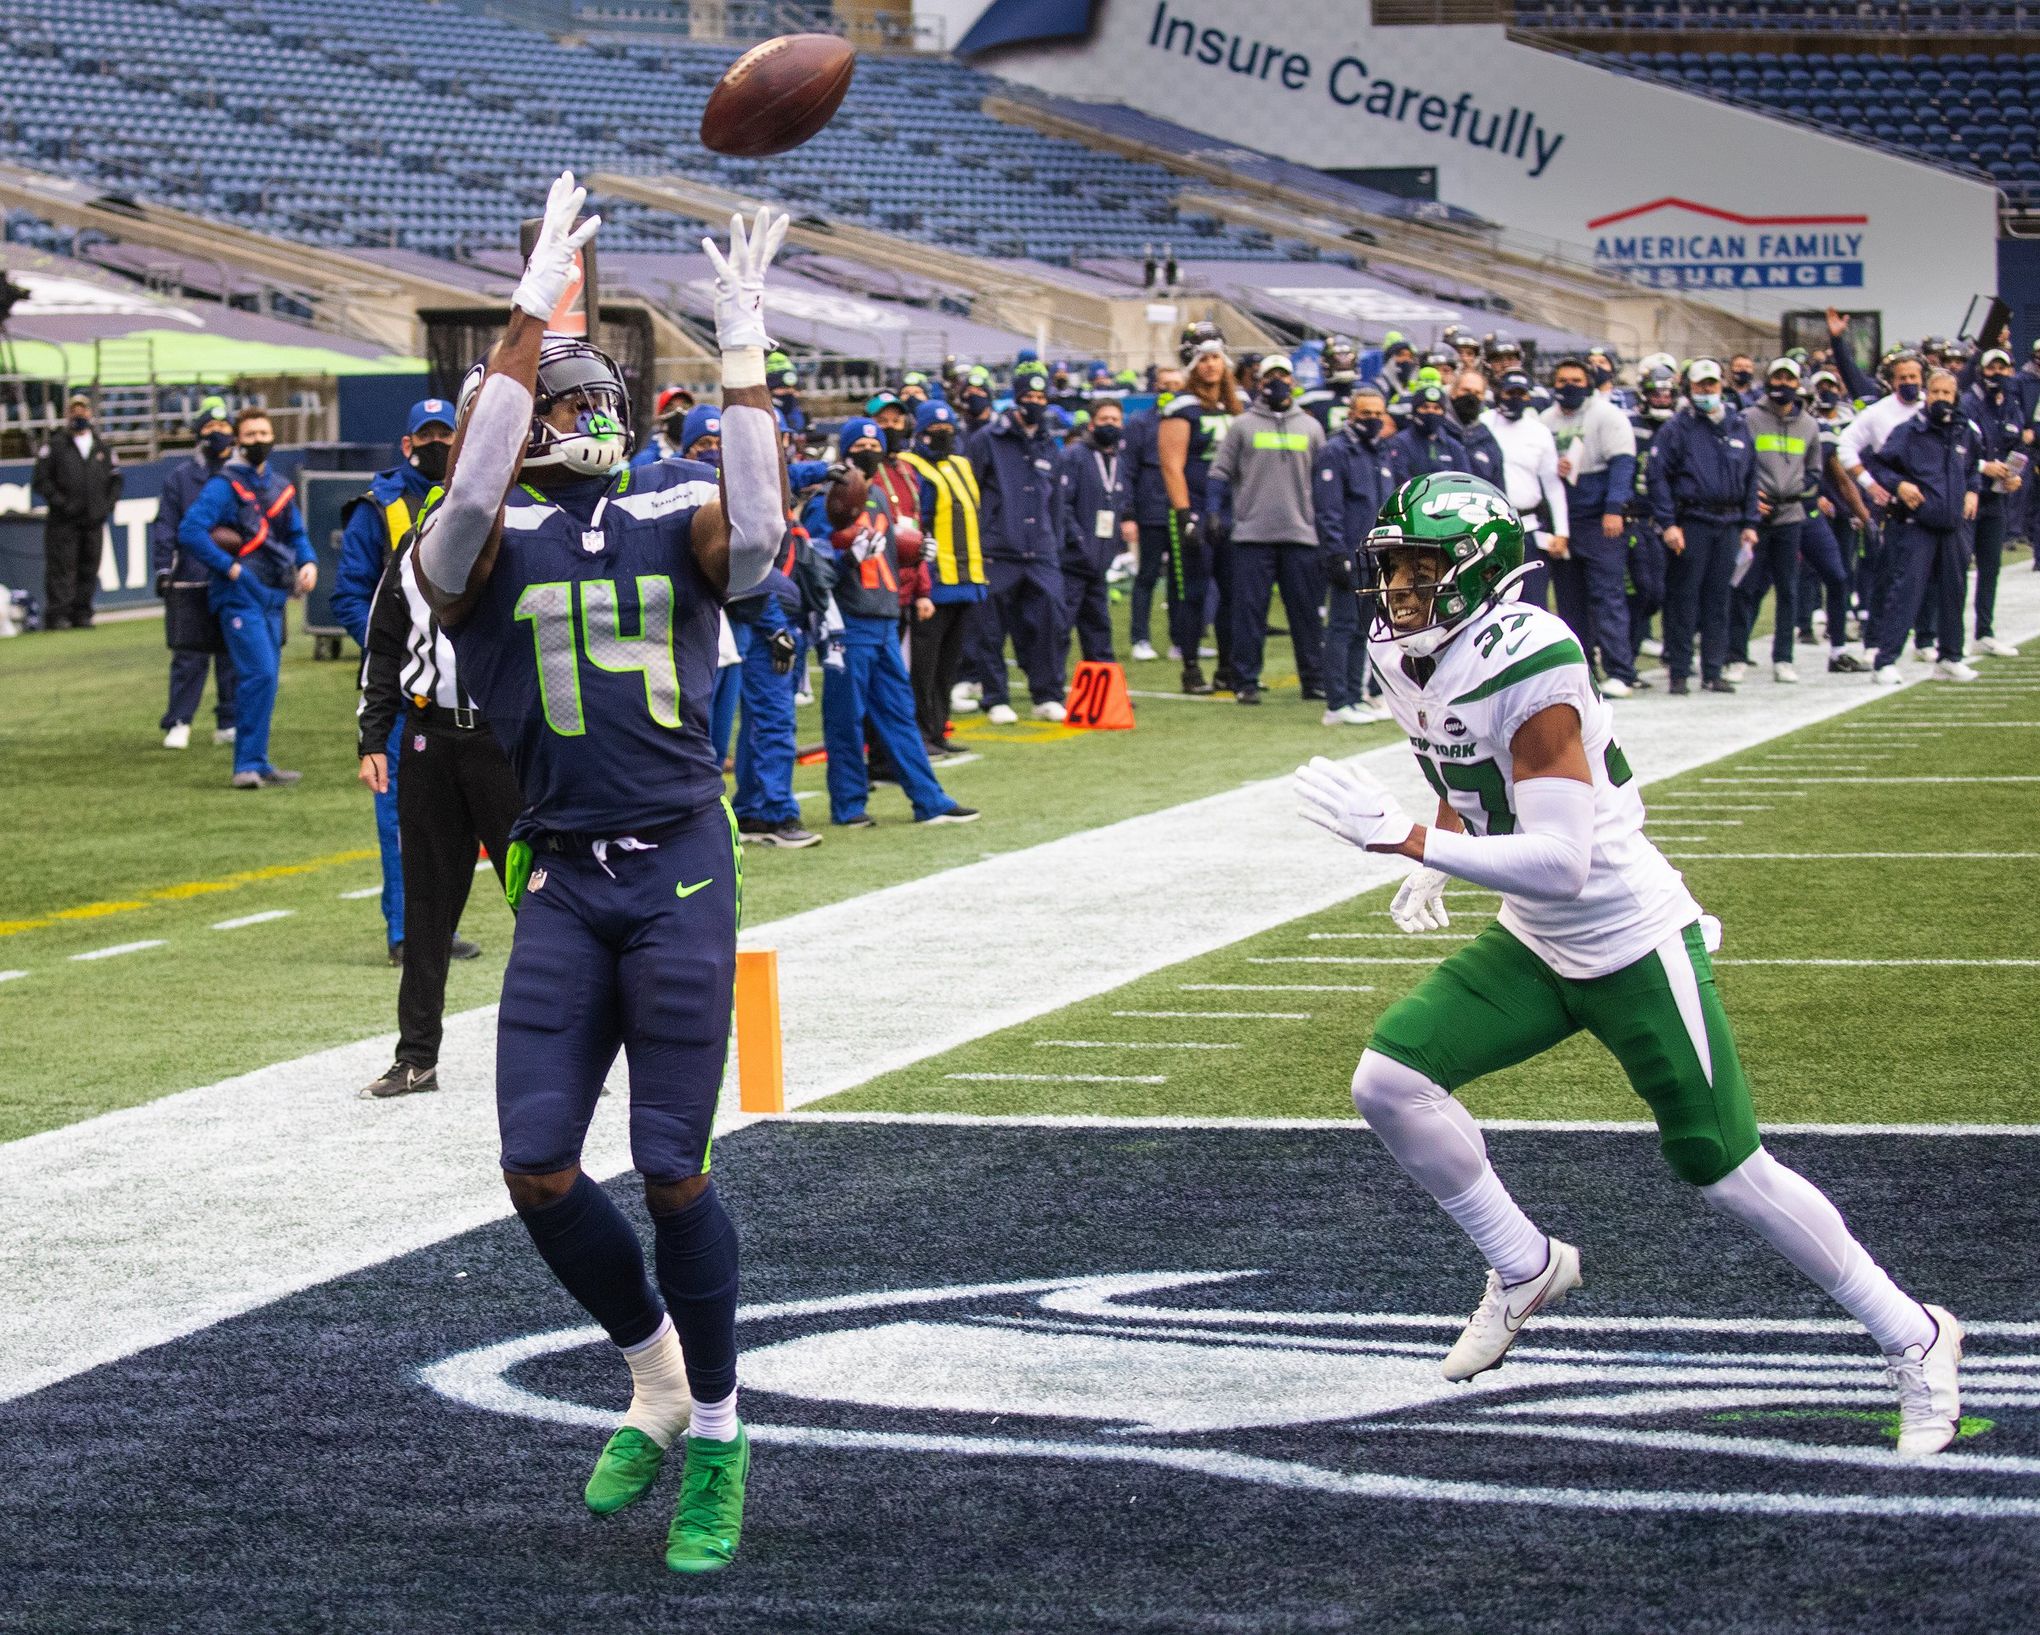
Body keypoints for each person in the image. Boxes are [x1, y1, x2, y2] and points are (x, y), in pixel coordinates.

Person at [1296, 469, 1964, 1455]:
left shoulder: (1533, 659)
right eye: (1393, 569)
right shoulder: (1405, 655)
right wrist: (1438, 832)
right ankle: (1523, 1266)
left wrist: (1409, 843)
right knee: (1390, 1082)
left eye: (1420, 571)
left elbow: (1563, 864)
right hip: (1537, 938)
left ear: (1477, 575)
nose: (1400, 591)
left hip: (1625, 934)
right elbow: (1463, 767)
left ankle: (1915, 1335)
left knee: (1727, 1169)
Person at [412, 176, 782, 1574]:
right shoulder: (471, 548)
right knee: (536, 1165)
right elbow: (469, 484)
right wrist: (523, 319)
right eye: (553, 407)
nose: (577, 421)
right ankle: (655, 1372)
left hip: (681, 865)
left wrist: (742, 357)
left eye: (584, 403)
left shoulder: (678, 507)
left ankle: (728, 1428)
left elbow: (756, 537)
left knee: (674, 1167)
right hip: (563, 876)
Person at [355, 537, 523, 1098]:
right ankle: (416, 1057)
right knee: (426, 905)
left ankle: (564, 1052)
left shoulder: (528, 530)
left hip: (509, 737)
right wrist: (372, 737)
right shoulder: (414, 547)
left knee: (540, 903)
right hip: (430, 735)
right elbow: (382, 645)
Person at [334, 397, 465, 964]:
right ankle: (406, 933)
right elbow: (349, 595)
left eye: (446, 434)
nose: (437, 444)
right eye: (427, 435)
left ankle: (439, 928)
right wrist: (394, 652)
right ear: (408, 443)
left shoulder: (474, 497)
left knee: (462, 819)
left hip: (466, 685)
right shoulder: (378, 507)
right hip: (409, 687)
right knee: (400, 820)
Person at [810, 418, 978, 828]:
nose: (868, 448)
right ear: (846, 450)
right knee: (846, 719)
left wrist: (913, 555)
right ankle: (849, 806)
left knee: (901, 714)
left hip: (885, 617)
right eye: (861, 442)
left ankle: (929, 799)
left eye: (874, 442)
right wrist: (847, 556)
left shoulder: (882, 497)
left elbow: (884, 554)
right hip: (848, 622)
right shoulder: (826, 499)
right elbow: (816, 563)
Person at [177, 408, 315, 785]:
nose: (258, 441)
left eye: (263, 433)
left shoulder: (278, 484)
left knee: (266, 679)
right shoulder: (224, 485)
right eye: (250, 434)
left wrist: (308, 562)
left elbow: (297, 534)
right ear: (238, 440)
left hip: (273, 593)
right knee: (259, 674)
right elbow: (190, 531)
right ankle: (245, 766)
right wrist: (229, 567)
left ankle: (258, 760)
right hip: (238, 593)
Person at [1207, 354, 1324, 708]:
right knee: (1249, 614)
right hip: (1252, 535)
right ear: (1259, 381)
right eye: (1270, 376)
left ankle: (1314, 680)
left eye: (1283, 376)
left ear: (1293, 381)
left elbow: (1324, 479)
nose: (1277, 382)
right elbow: (1219, 472)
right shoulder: (1242, 426)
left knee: (1305, 614)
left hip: (1300, 534)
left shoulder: (1310, 427)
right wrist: (1213, 512)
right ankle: (1246, 680)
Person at [1862, 369, 1982, 684]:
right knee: (1906, 591)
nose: (1942, 398)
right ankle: (1885, 660)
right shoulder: (1909, 431)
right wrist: (1899, 485)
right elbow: (1879, 464)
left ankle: (1950, 657)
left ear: (1955, 397)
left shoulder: (1965, 431)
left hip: (1953, 524)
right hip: (1917, 523)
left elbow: (1973, 469)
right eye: (1936, 392)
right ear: (1927, 394)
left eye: (1947, 393)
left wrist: (1972, 490)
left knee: (1954, 592)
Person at [1646, 360, 1759, 696]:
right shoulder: (1676, 429)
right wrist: (1668, 523)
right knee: (1684, 597)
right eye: (1700, 386)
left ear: (1721, 386)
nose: (1707, 391)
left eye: (1711, 385)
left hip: (1728, 523)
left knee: (1719, 597)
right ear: (1690, 388)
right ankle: (1679, 671)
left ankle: (1714, 669)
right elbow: (1658, 478)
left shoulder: (1737, 425)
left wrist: (1750, 521)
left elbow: (1751, 478)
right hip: (1692, 521)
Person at [969, 364, 1070, 724]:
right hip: (998, 547)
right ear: (1015, 398)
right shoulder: (988, 439)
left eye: (1041, 398)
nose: (1035, 403)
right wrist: (984, 534)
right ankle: (995, 696)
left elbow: (1055, 497)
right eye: (1028, 397)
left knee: (1050, 623)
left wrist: (1052, 540)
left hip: (1040, 547)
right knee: (990, 628)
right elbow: (973, 490)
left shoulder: (1048, 442)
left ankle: (1047, 694)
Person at [1541, 357, 1641, 696]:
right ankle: (1582, 673)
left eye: (1576, 379)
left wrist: (1614, 509)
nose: (1569, 385)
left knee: (1607, 597)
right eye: (1563, 379)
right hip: (1564, 523)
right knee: (1570, 603)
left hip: (1600, 522)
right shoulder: (1545, 421)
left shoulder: (1606, 415)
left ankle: (1621, 671)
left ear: (1589, 382)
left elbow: (1623, 464)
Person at [1725, 360, 1826, 685]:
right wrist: (1753, 498)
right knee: (1746, 586)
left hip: (1790, 516)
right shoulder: (1749, 418)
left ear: (1798, 383)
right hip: (1757, 516)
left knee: (1788, 588)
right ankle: (1736, 655)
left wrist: (1797, 490)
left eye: (1789, 378)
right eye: (1777, 377)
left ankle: (1783, 657)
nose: (1783, 383)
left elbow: (1814, 469)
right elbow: (1738, 462)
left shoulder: (1809, 424)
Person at [901, 399, 987, 755]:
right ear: (919, 433)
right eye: (936, 431)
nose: (943, 436)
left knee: (948, 664)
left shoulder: (962, 465)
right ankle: (920, 732)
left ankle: (938, 729)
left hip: (966, 581)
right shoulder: (910, 467)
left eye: (949, 430)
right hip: (932, 583)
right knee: (922, 665)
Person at [1158, 324, 1240, 695]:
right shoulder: (1181, 408)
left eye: (1216, 357)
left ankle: (1227, 666)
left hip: (1231, 512)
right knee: (1192, 592)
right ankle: (1191, 668)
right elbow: (1172, 465)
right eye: (1204, 358)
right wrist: (1184, 513)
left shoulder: (1238, 406)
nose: (1211, 365)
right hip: (1195, 509)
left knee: (1233, 592)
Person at [1312, 383, 1399, 726]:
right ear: (1351, 415)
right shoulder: (1337, 451)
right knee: (1343, 626)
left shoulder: (1381, 452)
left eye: (1379, 414)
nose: (1373, 420)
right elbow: (1328, 508)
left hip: (1378, 555)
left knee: (1366, 628)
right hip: (1350, 551)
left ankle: (1355, 693)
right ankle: (1337, 702)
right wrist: (1335, 552)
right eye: (1366, 414)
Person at [153, 398, 238, 750]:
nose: (217, 434)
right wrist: (163, 568)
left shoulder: (240, 476)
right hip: (190, 577)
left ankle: (229, 721)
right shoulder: (181, 478)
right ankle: (180, 720)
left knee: (232, 653)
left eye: (223, 428)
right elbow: (166, 525)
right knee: (189, 654)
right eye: (209, 428)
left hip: (232, 576)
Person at [32, 393, 121, 630]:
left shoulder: (101, 446)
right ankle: (59, 614)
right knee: (63, 567)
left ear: (90, 413)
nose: (79, 415)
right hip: (64, 521)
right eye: (74, 410)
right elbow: (41, 480)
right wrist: (61, 502)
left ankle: (82, 612)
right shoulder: (56, 445)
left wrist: (105, 506)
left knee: (89, 565)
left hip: (93, 519)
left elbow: (115, 480)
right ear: (67, 414)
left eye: (83, 410)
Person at [1481, 368, 1568, 610]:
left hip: (1526, 528)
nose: (1515, 398)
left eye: (1521, 393)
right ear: (1499, 393)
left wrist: (1562, 531)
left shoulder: (1539, 431)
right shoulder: (1483, 425)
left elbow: (1552, 484)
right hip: (1486, 527)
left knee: (1532, 604)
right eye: (1510, 392)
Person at [1057, 397, 1133, 667]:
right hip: (1073, 562)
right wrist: (1077, 541)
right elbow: (1062, 504)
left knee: (1099, 628)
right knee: (1060, 628)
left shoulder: (1118, 460)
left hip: (1099, 561)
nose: (1110, 424)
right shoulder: (1074, 456)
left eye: (1115, 419)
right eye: (1104, 419)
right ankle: (1051, 690)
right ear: (1091, 424)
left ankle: (1106, 691)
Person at [1961, 349, 2025, 658]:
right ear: (1981, 370)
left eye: (2003, 367)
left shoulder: (2012, 406)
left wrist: (2013, 477)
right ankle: (1944, 634)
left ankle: (1984, 632)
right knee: (1957, 566)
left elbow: (2017, 450)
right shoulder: (1969, 404)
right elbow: (1958, 450)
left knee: (1990, 568)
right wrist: (1984, 467)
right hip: (1968, 496)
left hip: (1996, 499)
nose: (1996, 372)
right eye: (1991, 367)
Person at [1119, 368, 1179, 662]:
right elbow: (1127, 470)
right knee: (1148, 576)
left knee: (1182, 580)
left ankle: (1182, 640)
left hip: (1181, 510)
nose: (1170, 391)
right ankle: (1140, 638)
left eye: (1176, 386)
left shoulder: (1189, 419)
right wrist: (1128, 514)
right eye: (1166, 385)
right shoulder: (1140, 424)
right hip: (1152, 511)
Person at [1446, 369, 1506, 492]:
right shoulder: (1435, 431)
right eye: (1466, 390)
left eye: (1477, 393)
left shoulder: (1487, 439)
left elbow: (1498, 488)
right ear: (1453, 392)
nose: (1471, 397)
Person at [631, 386, 697, 468]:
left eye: (685, 407)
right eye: (670, 409)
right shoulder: (643, 462)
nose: (679, 413)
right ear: (661, 419)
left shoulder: (702, 457)